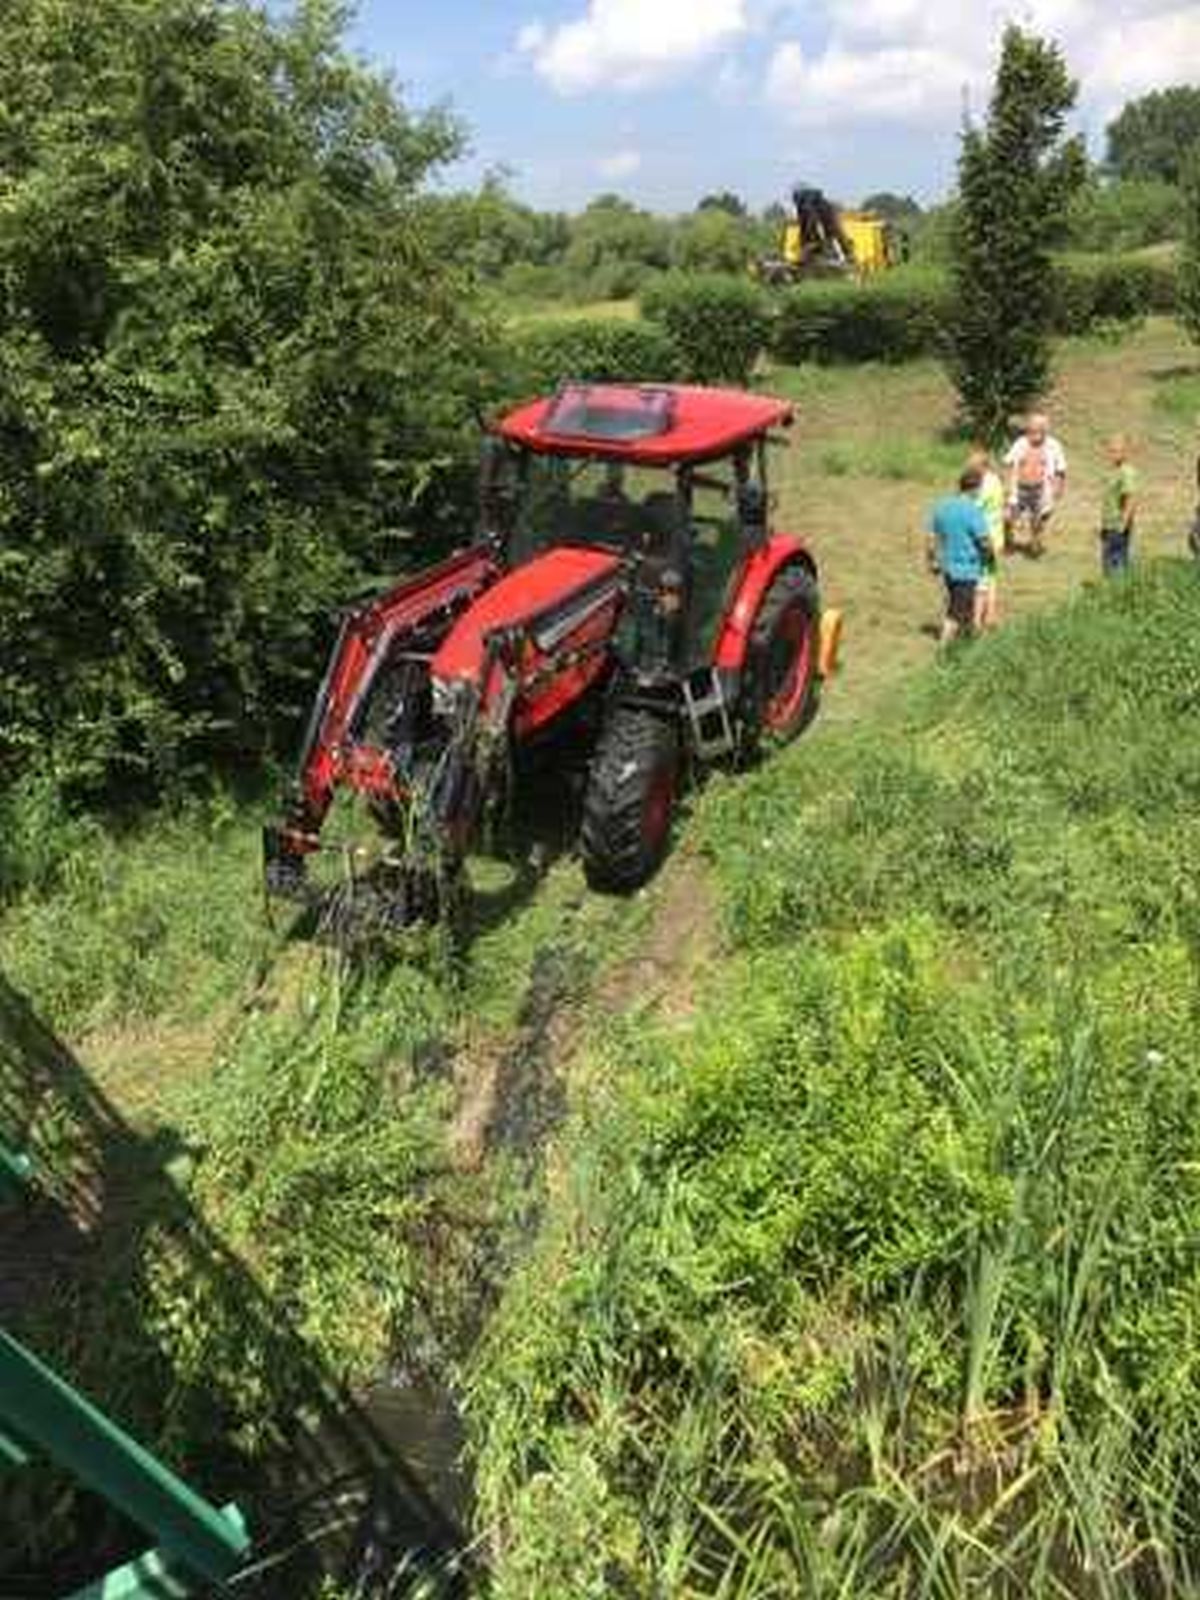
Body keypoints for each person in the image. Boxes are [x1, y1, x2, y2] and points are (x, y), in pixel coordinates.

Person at [927, 466, 991, 645]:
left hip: (947, 568)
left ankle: (965, 644)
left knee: (960, 607)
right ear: (976, 488)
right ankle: (943, 650)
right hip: (967, 570)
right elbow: (984, 542)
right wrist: (988, 557)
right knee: (956, 614)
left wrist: (932, 561)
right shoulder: (973, 511)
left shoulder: (942, 506)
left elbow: (931, 539)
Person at [1004, 412, 1067, 557]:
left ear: (1044, 431)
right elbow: (1008, 464)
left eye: (1037, 431)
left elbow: (1061, 469)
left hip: (1041, 489)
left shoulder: (1053, 445)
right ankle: (1008, 542)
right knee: (1009, 517)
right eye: (1030, 431)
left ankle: (1035, 545)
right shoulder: (1020, 443)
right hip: (1019, 488)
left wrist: (1059, 487)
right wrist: (1007, 486)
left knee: (1037, 519)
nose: (1033, 435)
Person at [968, 446, 1005, 630]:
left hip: (985, 538)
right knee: (991, 576)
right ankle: (991, 614)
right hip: (997, 536)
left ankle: (977, 621)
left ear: (982, 467)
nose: (970, 472)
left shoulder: (985, 484)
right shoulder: (996, 480)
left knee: (980, 578)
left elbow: (974, 506)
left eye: (973, 468)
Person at [1099, 434, 1137, 576]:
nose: (1113, 454)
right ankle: (1110, 591)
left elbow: (1130, 499)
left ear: (1126, 452)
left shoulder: (1127, 472)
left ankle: (1117, 592)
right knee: (1107, 562)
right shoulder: (1114, 471)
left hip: (1118, 526)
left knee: (1117, 563)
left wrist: (1122, 525)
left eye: (1117, 451)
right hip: (1109, 525)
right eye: (1111, 450)